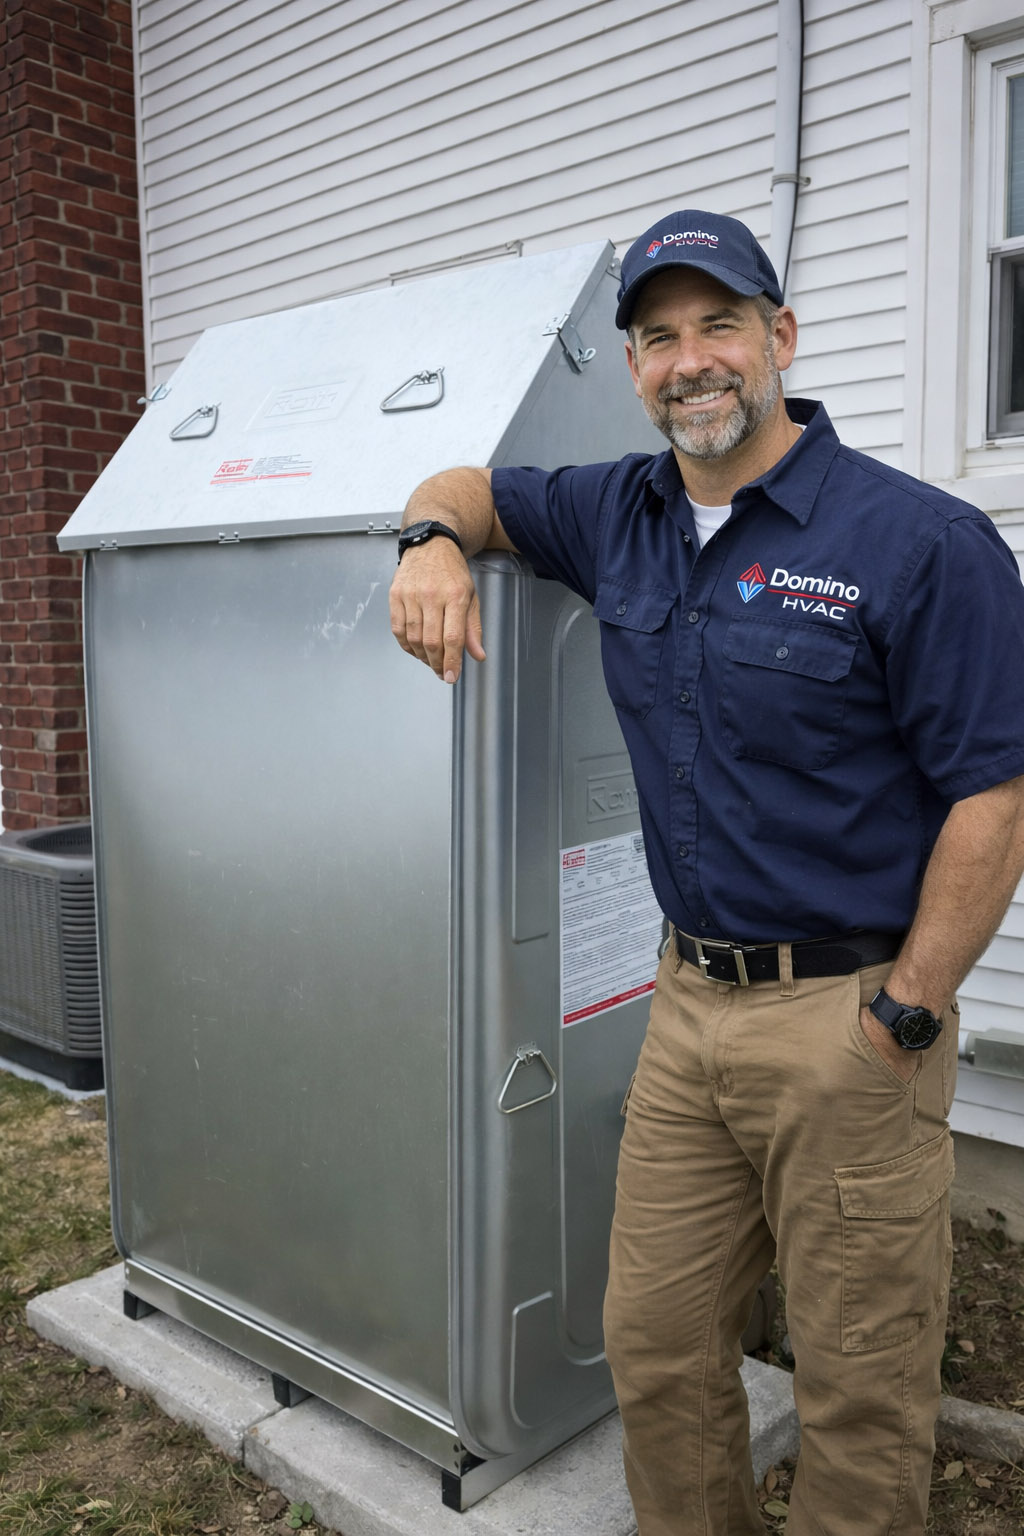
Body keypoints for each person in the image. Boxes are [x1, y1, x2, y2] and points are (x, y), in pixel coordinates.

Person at [387, 208, 1024, 1536]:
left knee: (859, 1390)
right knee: (659, 1347)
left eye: (720, 324)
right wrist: (428, 546)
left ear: (779, 337)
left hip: (851, 1021)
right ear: (634, 367)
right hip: (684, 1016)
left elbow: (993, 797)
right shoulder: (616, 513)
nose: (691, 361)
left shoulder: (920, 544)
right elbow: (473, 490)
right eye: (658, 336)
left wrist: (905, 1013)